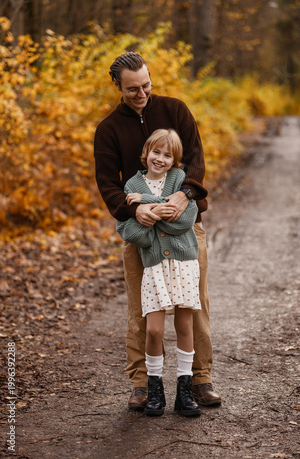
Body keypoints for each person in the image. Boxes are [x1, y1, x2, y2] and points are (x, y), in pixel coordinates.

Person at [94, 51, 221, 411]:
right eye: (133, 89)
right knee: (141, 308)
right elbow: (107, 185)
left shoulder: (175, 110)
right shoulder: (108, 130)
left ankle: (200, 379)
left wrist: (185, 195)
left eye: (146, 85)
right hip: (142, 233)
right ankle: (142, 384)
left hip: (186, 230)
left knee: (195, 305)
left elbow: (196, 159)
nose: (142, 93)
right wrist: (137, 206)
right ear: (117, 86)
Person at [116, 129, 201, 416]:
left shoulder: (179, 180)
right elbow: (129, 231)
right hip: (152, 266)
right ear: (146, 152)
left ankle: (184, 390)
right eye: (156, 152)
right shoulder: (132, 185)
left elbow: (185, 221)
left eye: (168, 155)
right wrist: (156, 211)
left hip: (183, 264)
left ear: (175, 159)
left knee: (185, 326)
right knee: (153, 329)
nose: (160, 159)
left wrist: (148, 207)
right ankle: (155, 390)